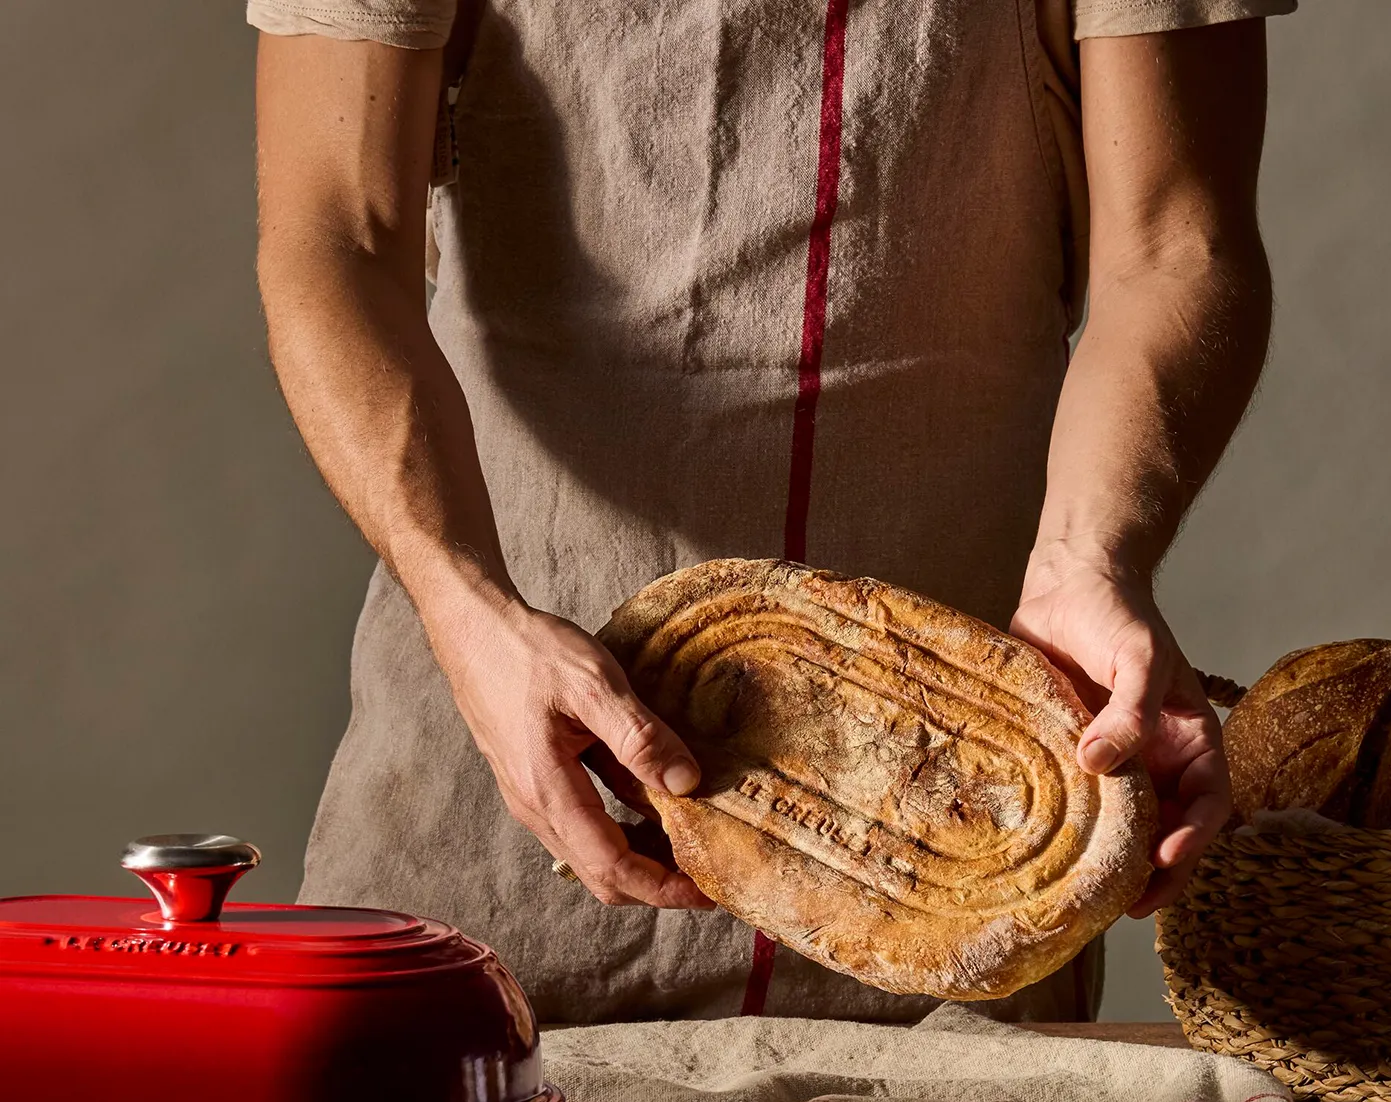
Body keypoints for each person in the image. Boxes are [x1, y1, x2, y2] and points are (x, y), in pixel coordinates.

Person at [251, 0, 1293, 1026]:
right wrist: (464, 601)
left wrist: (1091, 560)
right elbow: (335, 233)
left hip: (967, 821)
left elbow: (1174, 247)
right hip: (515, 764)